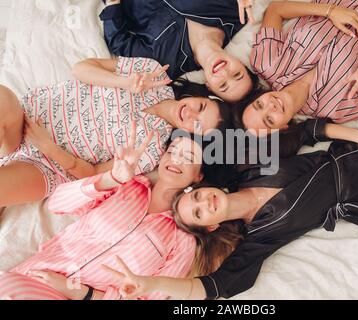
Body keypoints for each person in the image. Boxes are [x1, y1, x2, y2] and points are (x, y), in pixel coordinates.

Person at [103, 124, 358, 300]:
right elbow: (211, 287)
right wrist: (148, 283)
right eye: (197, 213)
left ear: (208, 187)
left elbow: (309, 130)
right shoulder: (260, 236)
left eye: (196, 197)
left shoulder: (253, 165)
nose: (202, 203)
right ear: (208, 227)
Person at [0, 135, 242, 300]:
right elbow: (57, 203)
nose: (176, 159)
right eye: (173, 151)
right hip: (38, 278)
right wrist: (110, 179)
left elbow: (149, 297)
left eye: (188, 157)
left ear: (198, 176)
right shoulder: (125, 185)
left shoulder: (182, 243)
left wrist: (83, 294)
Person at [0, 56, 231, 207]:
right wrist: (124, 83)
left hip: (48, 165)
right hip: (29, 114)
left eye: (198, 124)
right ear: (200, 96)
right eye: (200, 107)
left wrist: (48, 147)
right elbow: (80, 69)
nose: (190, 114)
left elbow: (93, 173)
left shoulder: (153, 151)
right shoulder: (153, 72)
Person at [247, 0, 358, 126]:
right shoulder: (334, 108)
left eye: (259, 104)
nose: (270, 106)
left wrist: (330, 11)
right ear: (283, 129)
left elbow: (275, 9)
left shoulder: (267, 64)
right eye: (269, 120)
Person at [100, 0, 259, 102]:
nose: (225, 74)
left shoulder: (166, 64)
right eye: (237, 74)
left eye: (223, 85)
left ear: (209, 87)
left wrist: (113, 3)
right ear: (241, 63)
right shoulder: (235, 13)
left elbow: (119, 42)